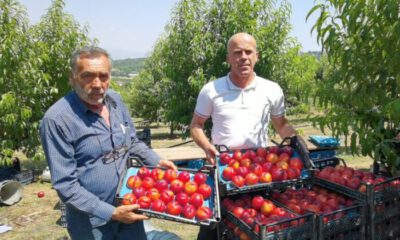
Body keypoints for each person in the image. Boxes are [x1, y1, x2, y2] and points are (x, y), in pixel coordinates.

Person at [40, 46, 177, 240]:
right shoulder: (57, 120)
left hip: (129, 205)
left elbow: (131, 142)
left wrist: (155, 160)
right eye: (87, 76)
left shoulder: (115, 101)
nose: (97, 84)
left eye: (103, 76)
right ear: (72, 77)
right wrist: (111, 213)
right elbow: (66, 185)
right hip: (92, 222)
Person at [190, 32, 297, 239]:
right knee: (211, 231)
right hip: (221, 171)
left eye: (248, 52)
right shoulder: (211, 90)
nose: (243, 57)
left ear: (257, 56)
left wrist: (297, 142)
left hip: (258, 173)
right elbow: (196, 125)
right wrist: (206, 146)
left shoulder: (271, 89)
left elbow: (282, 125)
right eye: (237, 53)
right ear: (228, 58)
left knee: (252, 229)